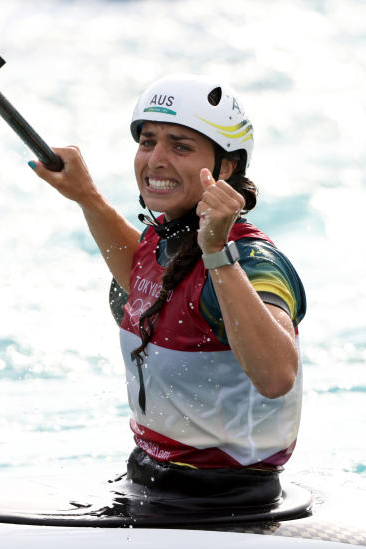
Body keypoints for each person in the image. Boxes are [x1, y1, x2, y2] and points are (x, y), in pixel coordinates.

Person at [31, 74, 306, 508]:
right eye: (147, 142)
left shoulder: (250, 262)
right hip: (148, 482)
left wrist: (215, 251)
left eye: (180, 146)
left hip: (226, 504)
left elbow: (276, 377)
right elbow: (145, 282)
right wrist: (87, 198)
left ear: (226, 166)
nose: (156, 159)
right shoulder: (164, 242)